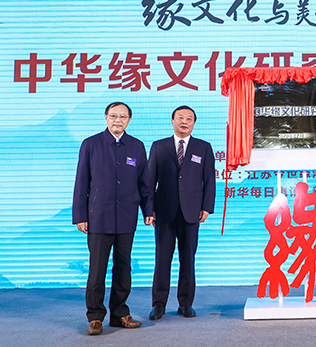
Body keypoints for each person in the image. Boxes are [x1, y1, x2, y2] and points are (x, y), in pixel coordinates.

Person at [72, 102, 153, 336]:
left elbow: (145, 183)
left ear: (129, 120)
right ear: (106, 118)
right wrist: (80, 215)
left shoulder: (137, 146)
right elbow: (81, 182)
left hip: (127, 216)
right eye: (114, 115)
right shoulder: (91, 144)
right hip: (98, 217)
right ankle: (95, 317)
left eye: (123, 116)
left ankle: (119, 314)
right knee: (97, 269)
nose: (118, 120)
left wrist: (148, 210)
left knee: (124, 267)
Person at [148, 105, 216, 320]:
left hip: (191, 211)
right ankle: (158, 304)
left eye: (189, 119)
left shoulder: (203, 147)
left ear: (194, 123)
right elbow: (149, 181)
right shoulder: (159, 146)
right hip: (164, 211)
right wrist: (149, 209)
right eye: (180, 118)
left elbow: (209, 180)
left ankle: (186, 303)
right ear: (172, 121)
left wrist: (207, 207)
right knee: (162, 260)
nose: (184, 122)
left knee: (188, 260)